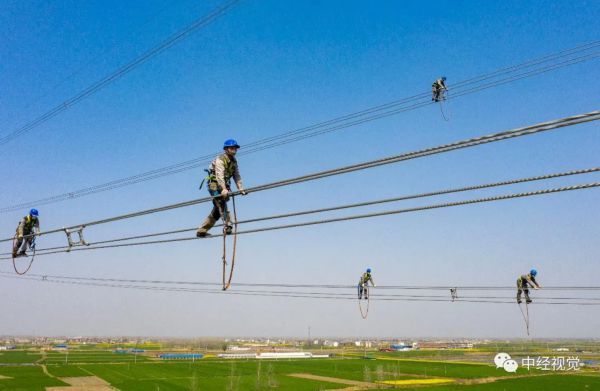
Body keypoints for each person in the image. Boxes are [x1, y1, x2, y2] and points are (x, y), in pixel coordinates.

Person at [196, 139, 247, 237]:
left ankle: (201, 231)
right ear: (226, 149)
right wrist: (223, 188)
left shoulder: (234, 161)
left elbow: (237, 176)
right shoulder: (220, 159)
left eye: (235, 148)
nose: (234, 150)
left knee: (217, 211)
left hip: (224, 186)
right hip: (214, 185)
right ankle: (228, 225)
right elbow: (219, 175)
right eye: (232, 148)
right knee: (221, 203)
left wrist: (241, 188)